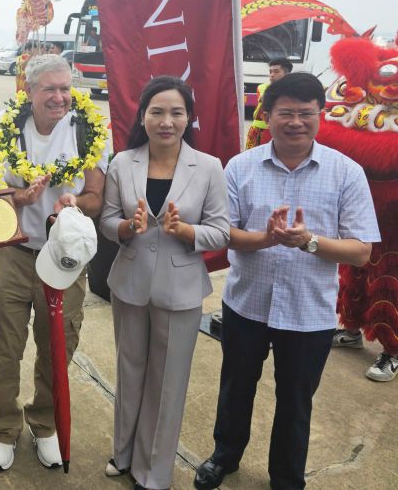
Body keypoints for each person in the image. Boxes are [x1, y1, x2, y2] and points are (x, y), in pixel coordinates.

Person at [194, 73, 380, 490]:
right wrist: (265, 239)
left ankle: (286, 478)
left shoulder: (346, 173)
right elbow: (223, 233)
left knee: (295, 401)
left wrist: (309, 242)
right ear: (267, 115)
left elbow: (361, 250)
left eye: (306, 113)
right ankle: (225, 456)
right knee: (236, 388)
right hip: (247, 304)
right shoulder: (240, 167)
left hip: (308, 312)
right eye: (286, 113)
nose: (296, 122)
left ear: (320, 115)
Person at [100, 76, 230, 490]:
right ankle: (123, 453)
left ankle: (152, 472)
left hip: (181, 288)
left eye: (176, 112)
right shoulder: (123, 162)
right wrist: (126, 227)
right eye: (157, 112)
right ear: (143, 116)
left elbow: (221, 231)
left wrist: (187, 232)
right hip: (130, 283)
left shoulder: (208, 166)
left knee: (166, 383)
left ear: (189, 117)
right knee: (129, 371)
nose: (166, 121)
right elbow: (106, 220)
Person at [0, 54, 111, 470]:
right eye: (49, 89)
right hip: (13, 253)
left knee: (57, 345)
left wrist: (77, 203)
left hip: (64, 258)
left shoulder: (87, 128)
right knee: (5, 346)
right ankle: (5, 428)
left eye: (65, 88)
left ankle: (43, 424)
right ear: (28, 89)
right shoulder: (3, 127)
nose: (59, 97)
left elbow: (96, 196)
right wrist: (18, 198)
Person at [245, 58, 293, 150]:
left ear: (287, 75)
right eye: (270, 72)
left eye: (276, 71)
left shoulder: (293, 89)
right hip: (258, 131)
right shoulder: (262, 87)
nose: (271, 75)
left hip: (282, 131)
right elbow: (267, 99)